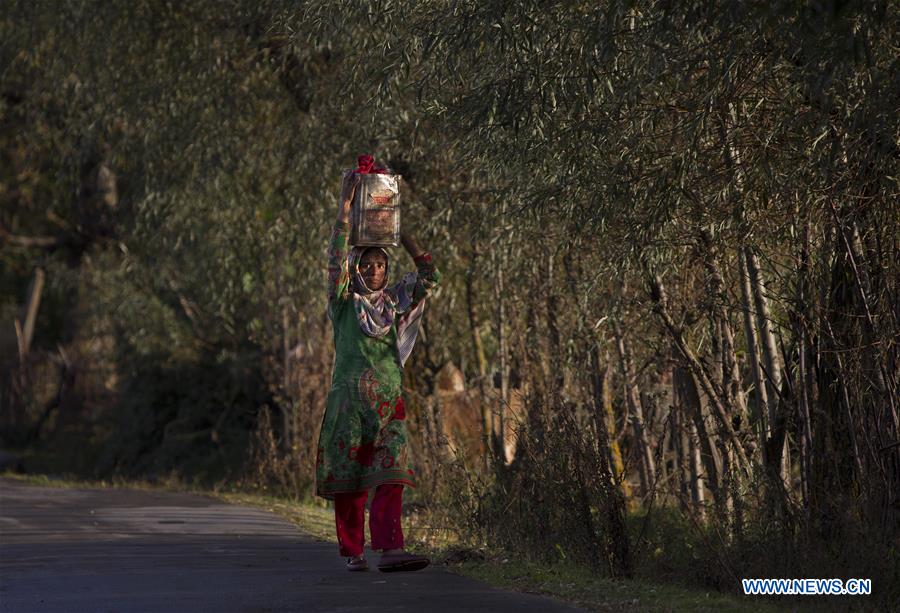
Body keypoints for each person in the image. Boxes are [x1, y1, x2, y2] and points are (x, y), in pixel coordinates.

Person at [315, 167, 441, 572]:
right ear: (355, 269)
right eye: (366, 265)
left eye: (379, 265)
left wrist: (397, 228)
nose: (374, 271)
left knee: (391, 477)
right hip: (349, 407)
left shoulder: (395, 304)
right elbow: (334, 258)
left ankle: (389, 549)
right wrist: (346, 208)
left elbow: (430, 275)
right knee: (350, 483)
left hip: (388, 406)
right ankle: (353, 552)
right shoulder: (344, 303)